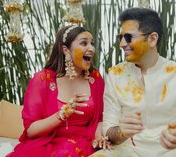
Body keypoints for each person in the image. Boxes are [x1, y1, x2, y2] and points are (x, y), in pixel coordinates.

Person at [90, 8, 176, 157]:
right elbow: (109, 128)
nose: (122, 44)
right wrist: (121, 132)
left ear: (152, 39)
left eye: (128, 37)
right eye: (121, 37)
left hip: (175, 151)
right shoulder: (115, 74)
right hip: (129, 150)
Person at [7, 25, 108, 157]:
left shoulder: (95, 78)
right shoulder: (43, 79)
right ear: (65, 50)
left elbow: (100, 118)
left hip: (87, 143)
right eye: (84, 43)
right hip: (49, 145)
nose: (91, 48)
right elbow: (31, 130)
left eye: (92, 43)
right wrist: (61, 114)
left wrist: (99, 135)